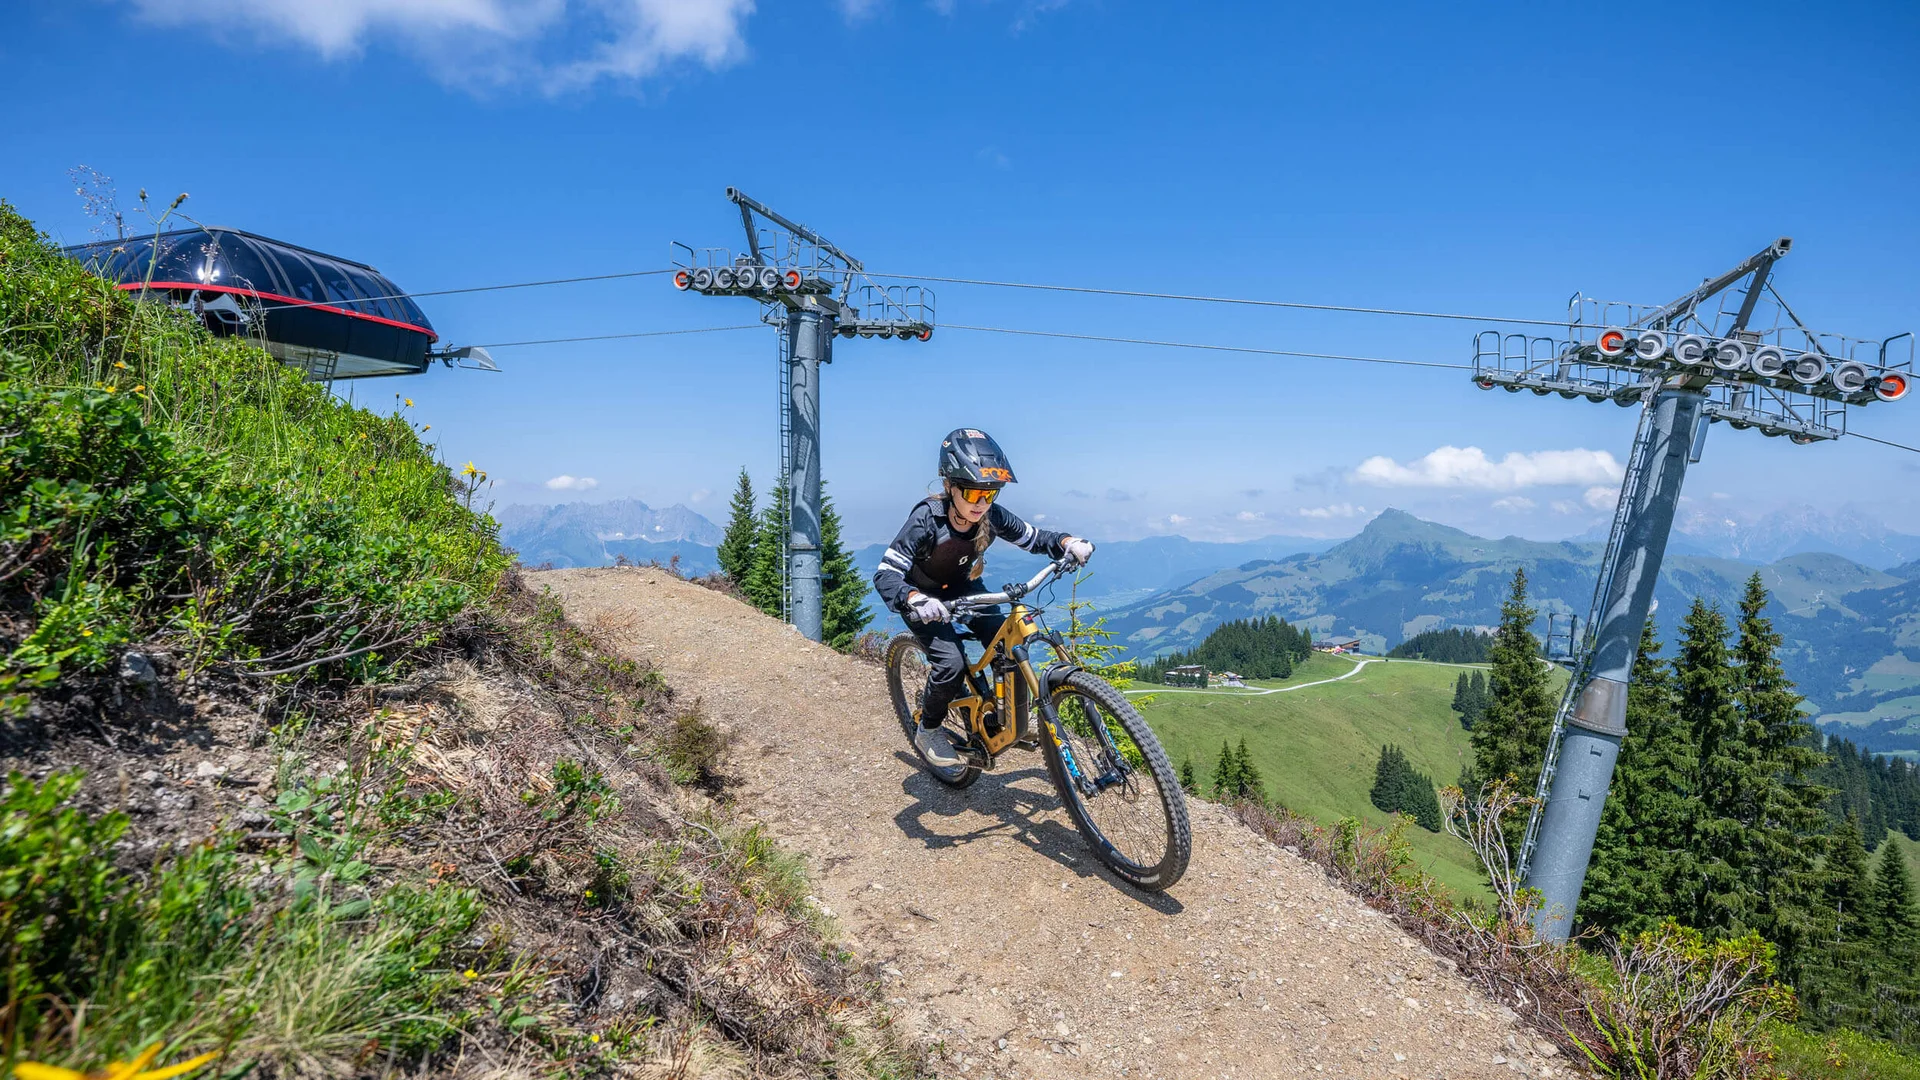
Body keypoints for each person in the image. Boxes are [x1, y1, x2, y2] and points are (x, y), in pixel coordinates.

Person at [874, 429, 1094, 768]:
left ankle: (1005, 718)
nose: (981, 503)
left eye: (990, 493)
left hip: (964, 587)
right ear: (950, 485)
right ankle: (929, 729)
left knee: (1007, 645)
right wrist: (914, 598)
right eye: (973, 492)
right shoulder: (925, 520)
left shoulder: (991, 516)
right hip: (923, 598)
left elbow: (1035, 538)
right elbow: (886, 574)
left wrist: (1067, 542)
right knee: (951, 664)